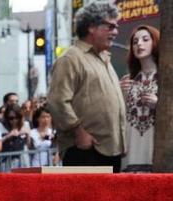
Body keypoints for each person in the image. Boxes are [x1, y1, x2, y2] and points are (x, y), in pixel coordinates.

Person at [48, 1, 126, 172]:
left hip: (109, 150)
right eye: (110, 26)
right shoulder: (71, 59)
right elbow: (57, 101)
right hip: (84, 150)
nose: (115, 32)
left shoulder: (104, 58)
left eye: (116, 27)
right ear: (91, 27)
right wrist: (77, 130)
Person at [119, 25, 159, 173]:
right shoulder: (127, 81)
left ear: (155, 42)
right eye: (135, 42)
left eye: (145, 39)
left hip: (155, 148)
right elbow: (120, 116)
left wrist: (158, 105)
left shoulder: (167, 81)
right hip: (131, 150)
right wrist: (118, 92)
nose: (139, 44)